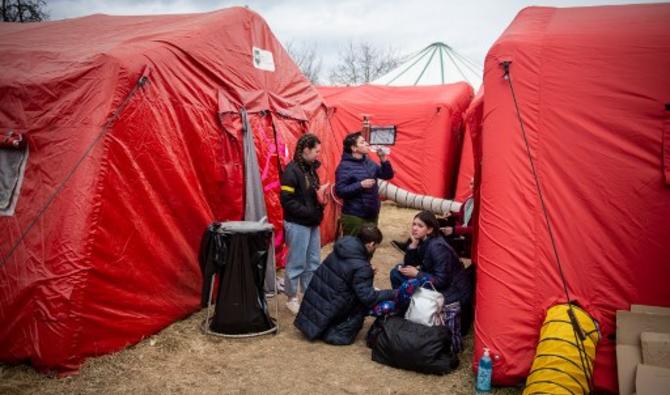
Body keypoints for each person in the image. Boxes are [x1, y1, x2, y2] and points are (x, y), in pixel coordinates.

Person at [294, 224, 395, 345]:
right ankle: (335, 330)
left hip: (313, 309)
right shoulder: (361, 267)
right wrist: (393, 293)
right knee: (362, 303)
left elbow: (345, 274)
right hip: (329, 311)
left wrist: (365, 270)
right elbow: (368, 297)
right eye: (376, 247)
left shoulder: (344, 248)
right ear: (371, 244)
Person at [387, 210, 472, 352]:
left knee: (410, 281)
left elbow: (442, 281)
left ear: (430, 229)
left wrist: (418, 274)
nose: (414, 228)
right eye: (413, 224)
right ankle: (405, 308)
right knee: (397, 272)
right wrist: (412, 246)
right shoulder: (424, 241)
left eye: (420, 226)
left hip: (451, 292)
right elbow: (411, 264)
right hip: (434, 282)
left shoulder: (437, 247)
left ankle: (407, 310)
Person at [280, 133, 326, 315]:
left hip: (312, 223)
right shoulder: (291, 171)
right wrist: (309, 212)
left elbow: (310, 195)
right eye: (316, 151)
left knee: (313, 261)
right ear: (306, 150)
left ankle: (309, 295)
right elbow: (287, 200)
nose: (318, 155)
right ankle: (291, 298)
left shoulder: (310, 169)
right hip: (298, 224)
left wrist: (322, 197)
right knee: (297, 262)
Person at [391, 178, 475, 258]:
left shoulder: (480, 203)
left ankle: (420, 251)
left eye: (474, 184)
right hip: (461, 228)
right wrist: (452, 214)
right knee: (434, 222)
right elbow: (465, 214)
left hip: (468, 238)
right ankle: (411, 244)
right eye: (471, 184)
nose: (472, 186)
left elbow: (476, 229)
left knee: (439, 239)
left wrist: (454, 230)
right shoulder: (470, 199)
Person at [335, 132, 394, 236]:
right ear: (354, 148)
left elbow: (387, 175)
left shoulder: (368, 162)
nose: (367, 144)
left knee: (370, 246)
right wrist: (360, 185)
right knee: (354, 248)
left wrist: (383, 159)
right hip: (354, 216)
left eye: (366, 141)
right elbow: (340, 191)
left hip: (372, 214)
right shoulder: (344, 166)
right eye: (362, 142)